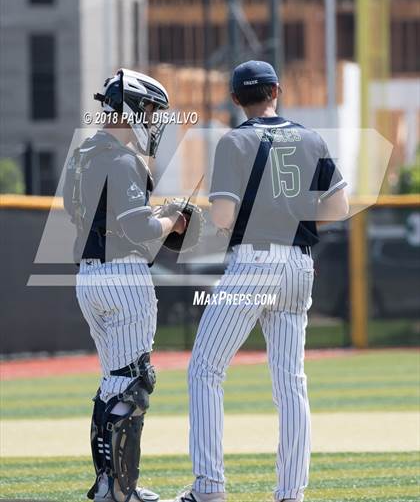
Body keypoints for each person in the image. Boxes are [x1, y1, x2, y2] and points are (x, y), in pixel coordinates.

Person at [174, 61, 349, 502]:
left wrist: (190, 220)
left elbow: (225, 218)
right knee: (290, 383)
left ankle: (209, 488)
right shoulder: (311, 138)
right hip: (298, 266)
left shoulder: (235, 140)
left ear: (236, 99)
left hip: (255, 264)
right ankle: (291, 493)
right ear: (278, 90)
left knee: (204, 371)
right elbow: (338, 207)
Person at [63, 68, 186, 502]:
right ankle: (120, 489)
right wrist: (173, 216)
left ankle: (106, 485)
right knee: (133, 383)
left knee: (113, 383)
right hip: (122, 277)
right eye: (150, 109)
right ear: (132, 106)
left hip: (89, 276)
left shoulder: (83, 155)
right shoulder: (122, 156)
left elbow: (79, 212)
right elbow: (139, 227)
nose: (153, 119)